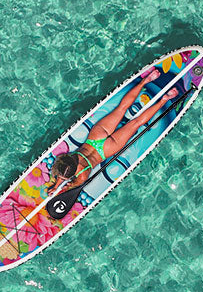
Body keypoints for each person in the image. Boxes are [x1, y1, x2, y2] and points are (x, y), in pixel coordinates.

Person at [47, 66, 181, 197]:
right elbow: (65, 169)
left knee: (137, 123)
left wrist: (60, 187)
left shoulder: (82, 176)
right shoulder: (69, 158)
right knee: (121, 108)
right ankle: (146, 80)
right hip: (94, 139)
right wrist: (57, 183)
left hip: (106, 151)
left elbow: (68, 179)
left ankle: (165, 98)